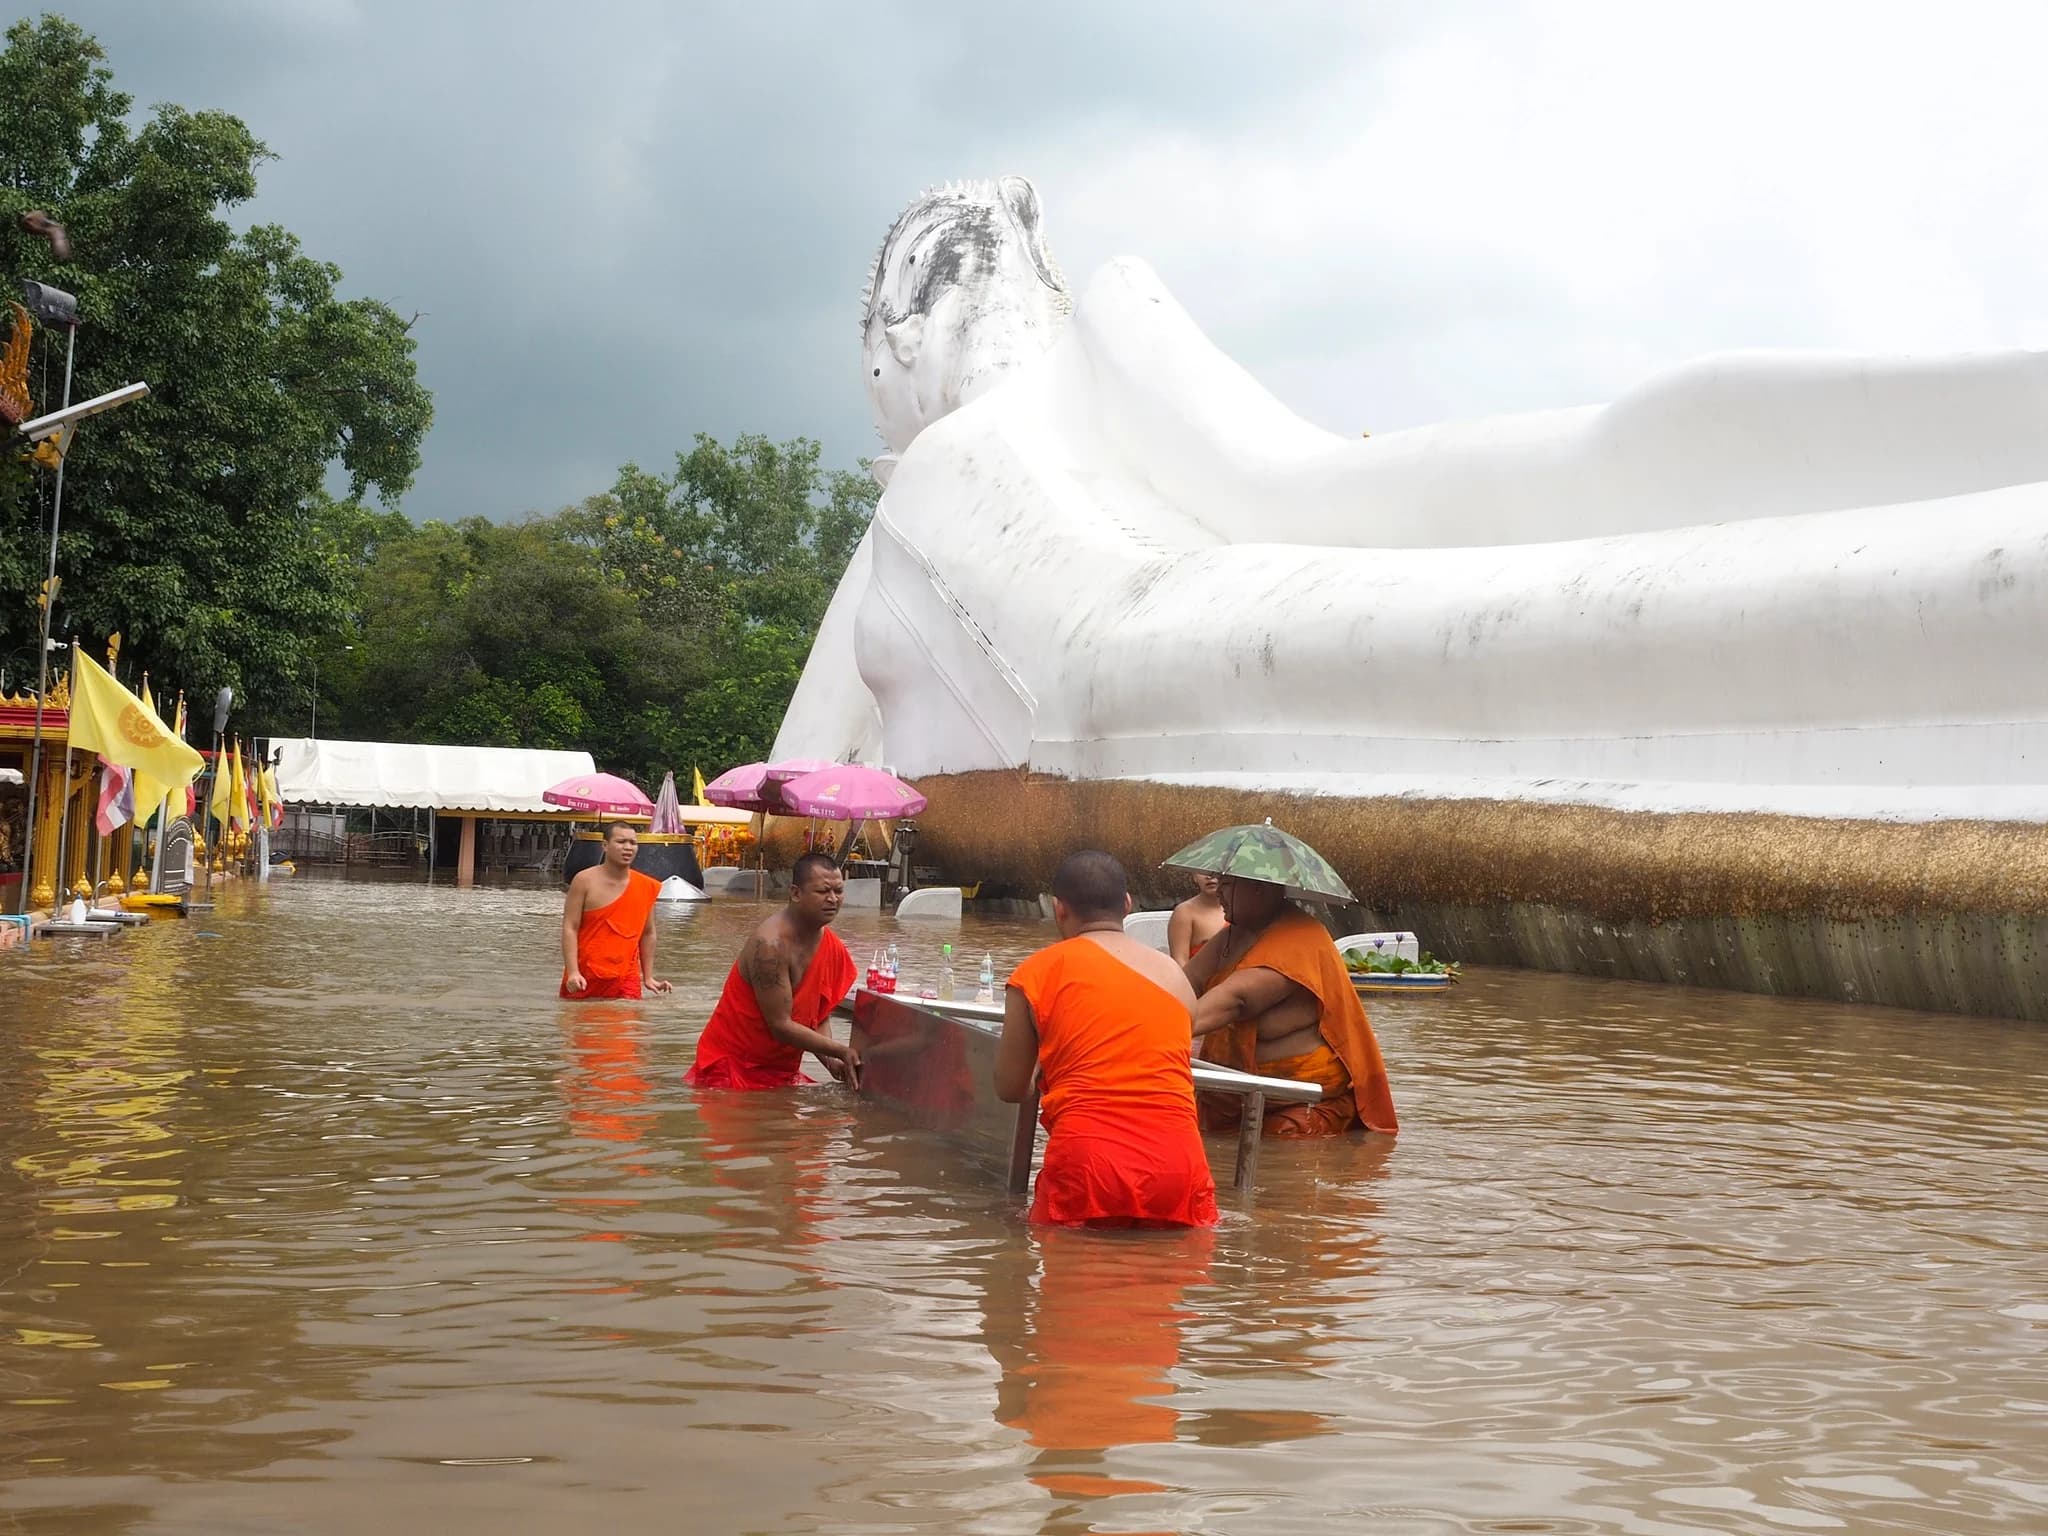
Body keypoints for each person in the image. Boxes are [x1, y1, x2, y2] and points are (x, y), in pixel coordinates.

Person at [996, 849, 1218, 1229]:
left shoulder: (1036, 973)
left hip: (1089, 1162)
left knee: (1074, 1280)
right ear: (1127, 905)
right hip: (1178, 1163)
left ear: (1057, 909)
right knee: (1165, 1282)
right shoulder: (1174, 977)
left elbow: (1011, 1088)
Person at [1184, 874, 1398, 1138]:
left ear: (1258, 888)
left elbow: (1237, 1001)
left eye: (1227, 886)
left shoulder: (1301, 937)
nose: (1219, 894)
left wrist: (1156, 1033)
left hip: (1301, 1103)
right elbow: (1187, 981)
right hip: (1233, 1095)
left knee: (1280, 1160)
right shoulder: (1232, 936)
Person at [685, 852, 862, 1089]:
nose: (833, 899)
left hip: (782, 1072)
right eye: (823, 891)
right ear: (796, 893)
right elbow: (780, 1026)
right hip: (731, 1069)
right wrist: (841, 1051)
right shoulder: (770, 946)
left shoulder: (832, 946)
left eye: (838, 891)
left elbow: (818, 1015)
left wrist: (833, 1064)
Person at [560, 821, 671, 999]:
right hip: (584, 976)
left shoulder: (645, 885)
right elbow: (570, 927)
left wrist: (648, 977)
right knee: (579, 1023)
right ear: (605, 845)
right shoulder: (584, 881)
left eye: (633, 843)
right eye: (621, 842)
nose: (628, 848)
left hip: (626, 979)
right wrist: (573, 971)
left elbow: (648, 933)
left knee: (628, 1023)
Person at [1167, 870, 1225, 964]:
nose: (1209, 876)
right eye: (1203, 871)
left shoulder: (1239, 908)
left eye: (1215, 870)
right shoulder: (1184, 912)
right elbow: (1180, 962)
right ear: (1195, 877)